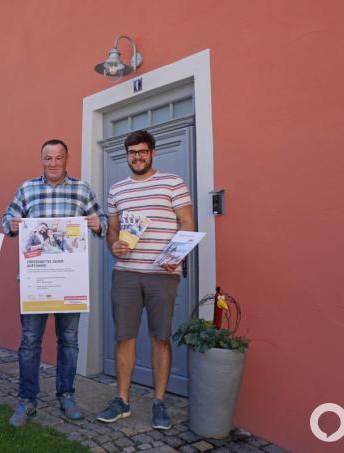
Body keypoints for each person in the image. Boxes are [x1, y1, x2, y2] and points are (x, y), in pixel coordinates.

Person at [2, 138, 108, 426]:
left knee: (69, 341)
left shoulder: (82, 189)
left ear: (66, 159)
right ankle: (27, 400)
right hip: (35, 281)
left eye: (58, 158)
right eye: (48, 158)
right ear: (41, 159)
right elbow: (7, 218)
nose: (53, 163)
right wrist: (11, 224)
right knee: (30, 341)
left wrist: (99, 224)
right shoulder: (27, 188)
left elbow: (103, 220)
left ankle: (66, 395)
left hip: (69, 282)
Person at [96, 130, 195, 430]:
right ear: (126, 155)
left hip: (161, 275)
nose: (137, 157)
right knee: (124, 337)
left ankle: (159, 402)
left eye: (142, 152)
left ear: (152, 152)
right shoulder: (117, 189)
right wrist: (113, 245)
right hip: (125, 273)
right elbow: (112, 230)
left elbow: (187, 223)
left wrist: (178, 256)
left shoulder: (172, 183)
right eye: (131, 152)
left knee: (160, 337)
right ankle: (122, 401)